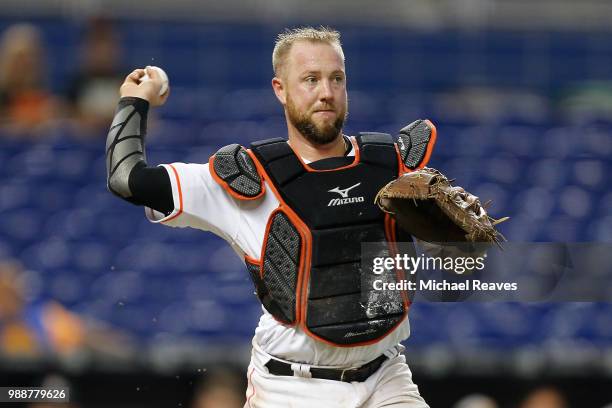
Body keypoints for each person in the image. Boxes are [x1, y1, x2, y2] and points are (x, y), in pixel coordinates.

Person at [106, 26, 436, 407]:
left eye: (336, 79)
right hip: (290, 387)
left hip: (386, 379)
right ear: (280, 89)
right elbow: (126, 180)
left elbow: (457, 260)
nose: (326, 92)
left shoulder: (392, 166)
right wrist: (133, 102)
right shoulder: (247, 178)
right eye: (310, 79)